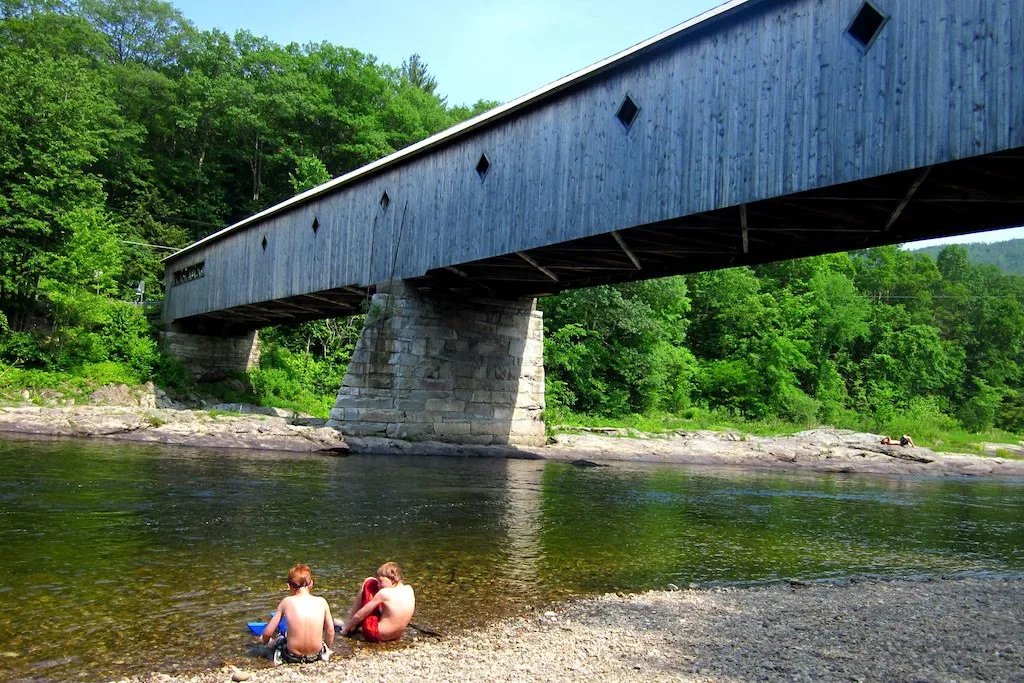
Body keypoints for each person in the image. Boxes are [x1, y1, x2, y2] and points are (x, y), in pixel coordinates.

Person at [260, 564, 334, 664]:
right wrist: (328, 649)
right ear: (311, 584)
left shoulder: (286, 602)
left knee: (279, 639)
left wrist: (265, 642)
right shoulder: (322, 602)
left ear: (288, 586)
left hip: (292, 657)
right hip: (316, 656)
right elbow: (330, 631)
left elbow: (267, 633)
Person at [337, 562, 416, 642]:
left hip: (377, 634)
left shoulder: (384, 593)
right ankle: (351, 624)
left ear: (393, 579)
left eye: (380, 581)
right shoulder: (409, 589)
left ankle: (347, 624)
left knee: (369, 582)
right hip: (396, 636)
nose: (378, 585)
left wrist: (346, 629)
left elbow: (361, 614)